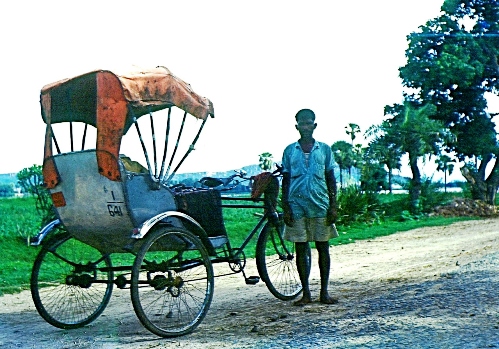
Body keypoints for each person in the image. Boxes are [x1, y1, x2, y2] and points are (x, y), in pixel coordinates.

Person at [281, 108, 339, 306]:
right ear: (296, 126)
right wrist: (286, 206)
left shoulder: (324, 150)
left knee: (323, 247)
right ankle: (306, 293)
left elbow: (331, 178)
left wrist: (333, 205)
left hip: (320, 203)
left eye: (309, 123)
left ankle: (324, 292)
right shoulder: (290, 151)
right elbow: (286, 179)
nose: (305, 127)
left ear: (315, 125)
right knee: (301, 249)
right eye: (302, 123)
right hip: (297, 205)